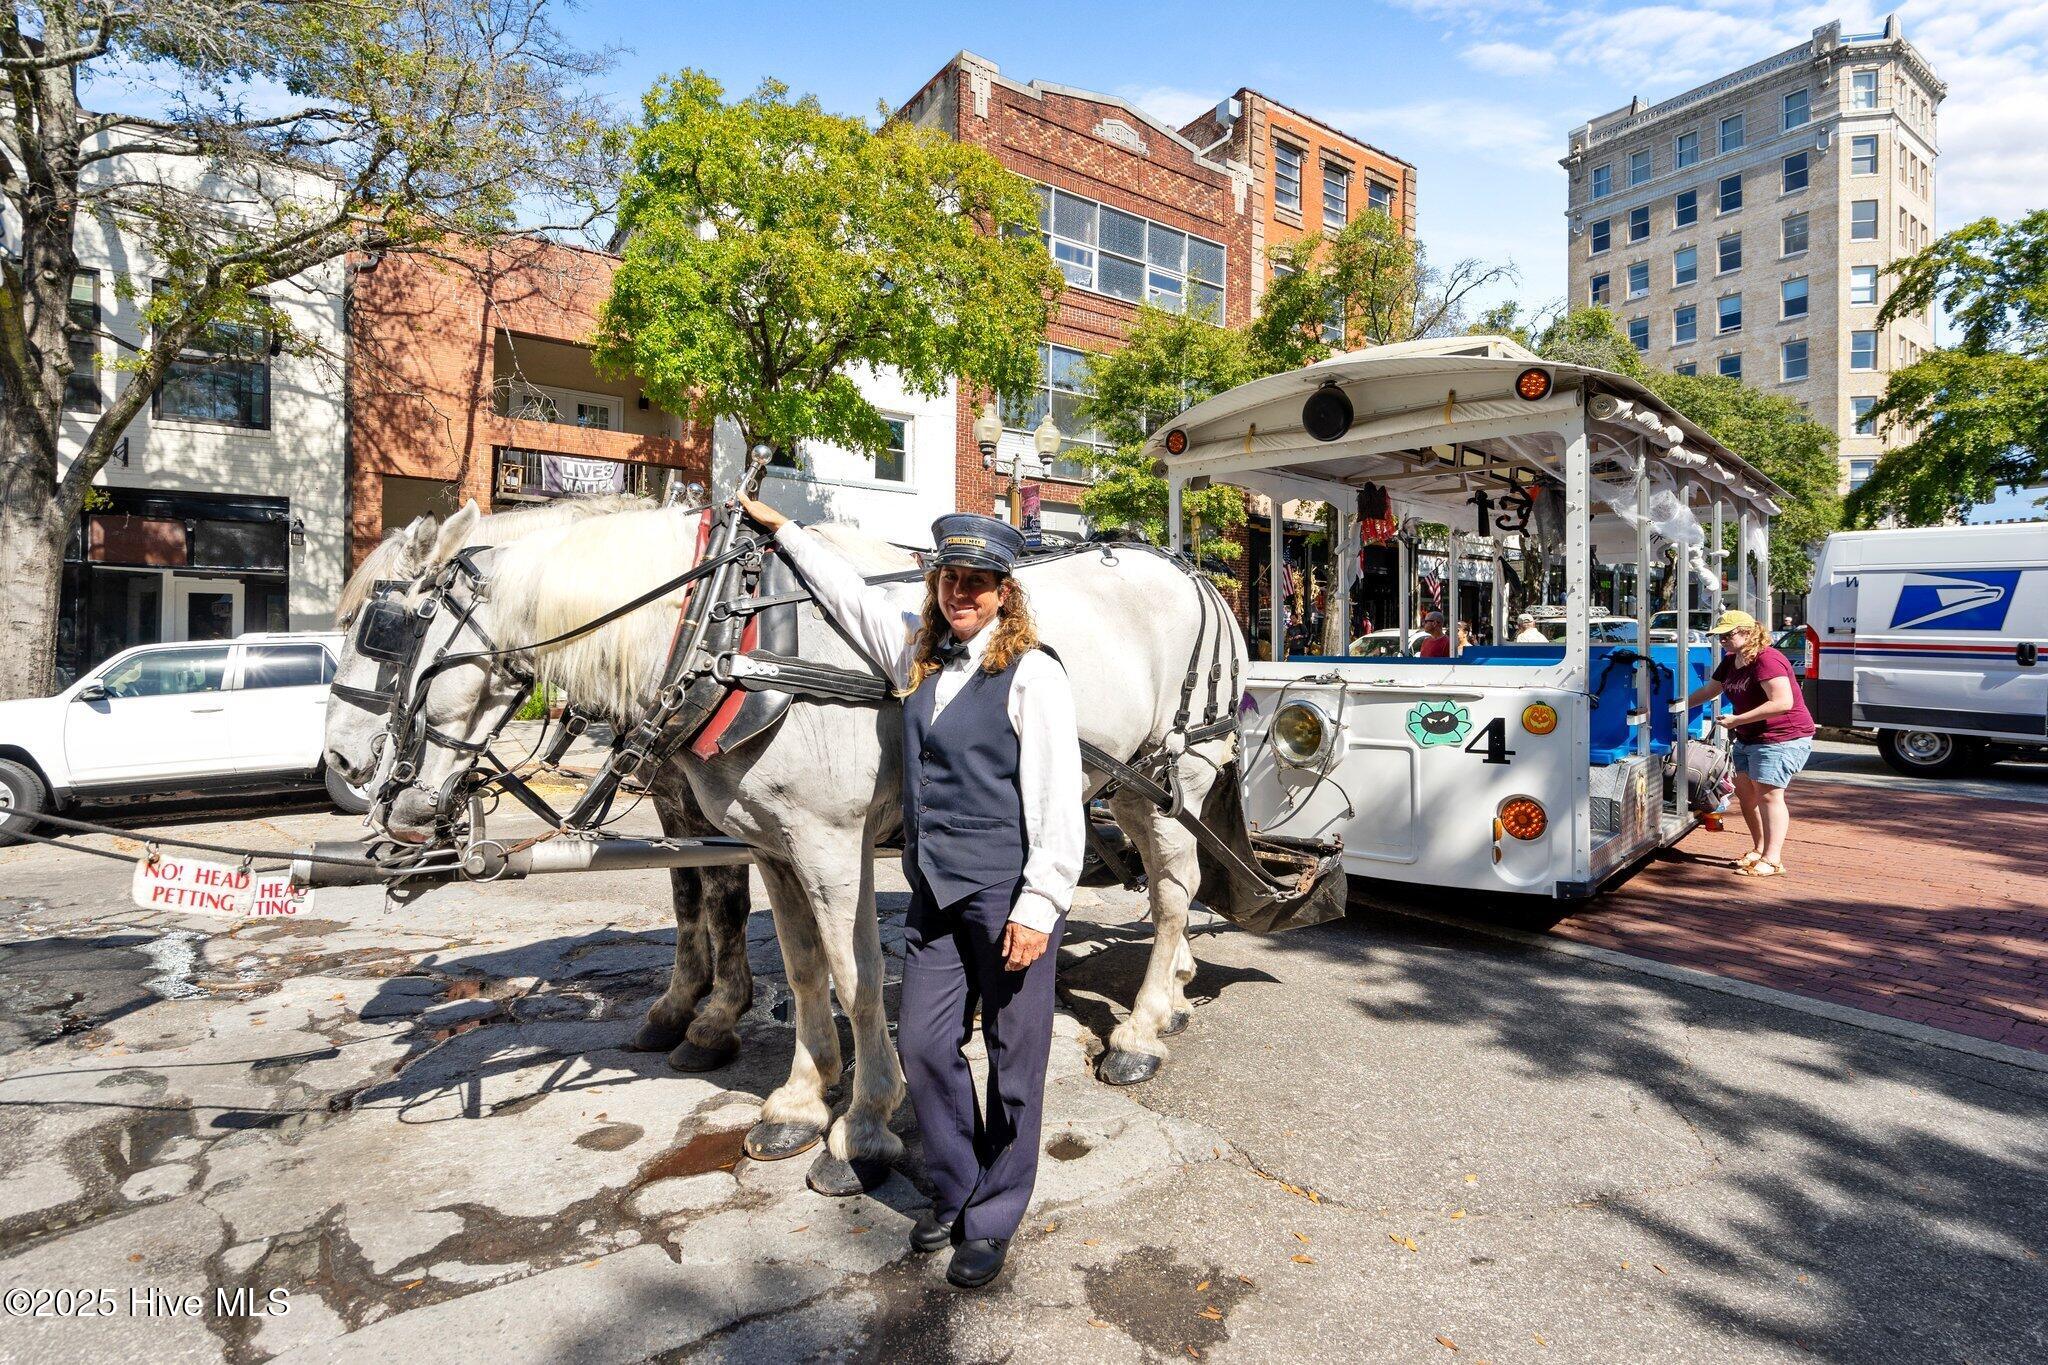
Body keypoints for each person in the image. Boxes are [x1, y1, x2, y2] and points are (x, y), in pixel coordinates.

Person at [737, 495, 1084, 1291]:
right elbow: (853, 602)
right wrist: (786, 532)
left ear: (1004, 591)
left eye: (976, 581)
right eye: (948, 579)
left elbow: (1059, 803)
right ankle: (960, 1186)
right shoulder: (920, 661)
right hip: (933, 892)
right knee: (925, 1048)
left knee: (1014, 1064)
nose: (960, 592)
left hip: (1006, 894)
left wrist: (1040, 903)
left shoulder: (1033, 674)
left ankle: (993, 1218)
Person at [1684, 609, 1816, 877]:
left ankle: (1773, 859)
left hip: (1782, 737)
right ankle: (1759, 850)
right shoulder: (1732, 660)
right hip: (1748, 736)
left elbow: (1782, 702)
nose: (1722, 641)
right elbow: (1711, 691)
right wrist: (1677, 706)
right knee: (1746, 794)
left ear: (1747, 632)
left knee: (1769, 795)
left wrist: (1738, 719)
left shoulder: (1768, 660)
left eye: (1727, 635)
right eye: (1719, 637)